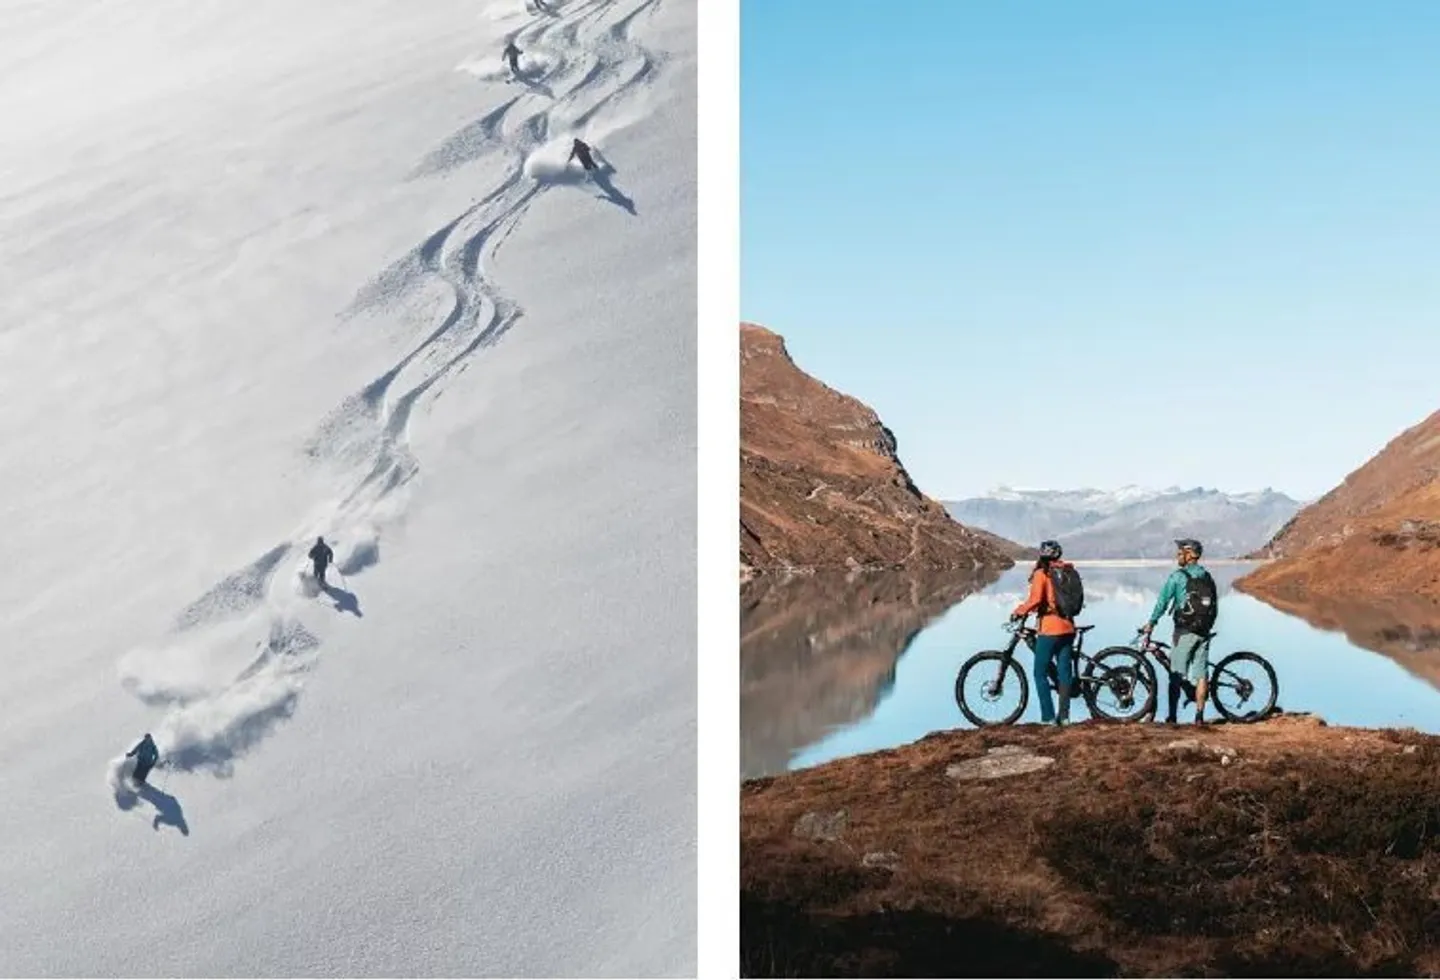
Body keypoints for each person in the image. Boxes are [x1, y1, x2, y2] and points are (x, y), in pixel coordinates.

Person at [1140, 538, 1219, 725]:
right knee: (1201, 675)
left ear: (1189, 554)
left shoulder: (1178, 576)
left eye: (1180, 553)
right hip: (1203, 631)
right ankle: (1199, 717)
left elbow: (1163, 601)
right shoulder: (1207, 576)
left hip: (1184, 632)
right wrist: (1207, 626)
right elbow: (1215, 605)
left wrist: (1151, 622)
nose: (1177, 556)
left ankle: (1172, 717)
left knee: (1175, 675)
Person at [1011, 540, 1081, 725]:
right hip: (1068, 627)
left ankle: (1048, 717)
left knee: (1039, 673)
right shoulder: (1068, 572)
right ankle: (1064, 718)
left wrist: (1018, 611)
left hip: (1050, 629)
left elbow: (1035, 601)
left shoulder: (1042, 574)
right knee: (1065, 672)